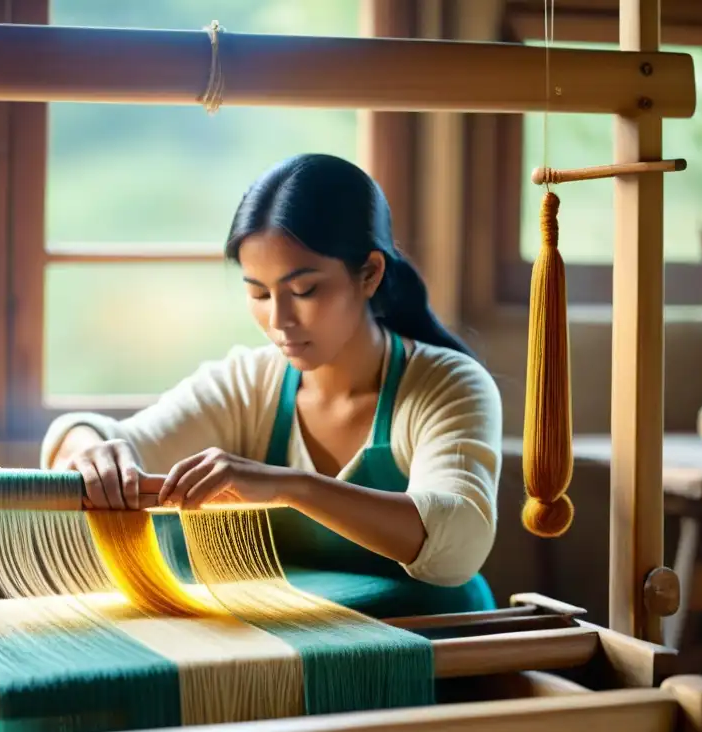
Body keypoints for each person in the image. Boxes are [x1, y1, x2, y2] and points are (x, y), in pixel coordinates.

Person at [41, 153, 502, 618]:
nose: (279, 321)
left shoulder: (448, 385)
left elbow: (457, 538)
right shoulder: (249, 385)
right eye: (259, 294)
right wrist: (90, 449)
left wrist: (292, 488)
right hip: (301, 648)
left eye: (303, 291)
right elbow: (113, 440)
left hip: (439, 646)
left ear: (369, 274)